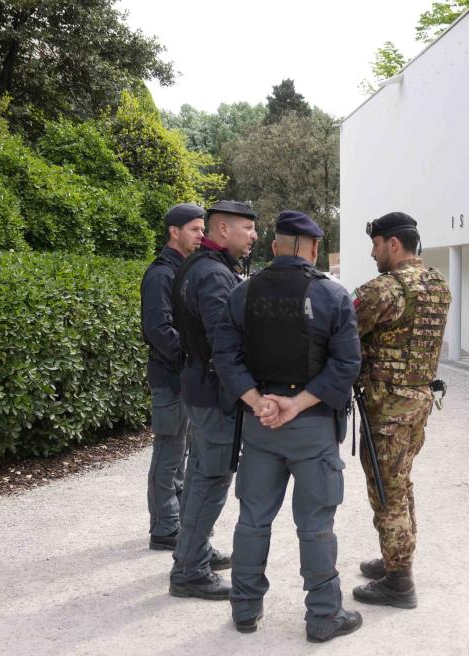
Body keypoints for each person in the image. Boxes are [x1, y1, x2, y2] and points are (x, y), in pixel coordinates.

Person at [211, 210, 363, 642]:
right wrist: (295, 404)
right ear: (313, 248)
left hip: (261, 424)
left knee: (253, 520)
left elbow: (226, 356)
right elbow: (347, 364)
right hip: (311, 424)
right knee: (315, 524)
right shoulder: (333, 296)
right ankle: (322, 616)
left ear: (276, 246)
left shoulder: (243, 292)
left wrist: (259, 401)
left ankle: (244, 609)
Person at [350, 211, 451, 610]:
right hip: (420, 401)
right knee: (402, 482)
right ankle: (397, 559)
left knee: (387, 488)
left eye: (376, 245)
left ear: (393, 244)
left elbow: (342, 329)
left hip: (387, 406)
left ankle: (399, 582)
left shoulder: (385, 290)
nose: (373, 253)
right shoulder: (439, 284)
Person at [167, 200, 258, 600]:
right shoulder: (216, 275)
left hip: (197, 382)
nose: (254, 236)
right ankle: (189, 569)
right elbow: (226, 341)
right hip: (212, 388)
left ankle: (193, 551)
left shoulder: (196, 265)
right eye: (248, 229)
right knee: (213, 476)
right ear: (223, 230)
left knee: (204, 471)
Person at [140, 203, 205, 551]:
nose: (201, 235)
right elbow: (158, 329)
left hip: (186, 376)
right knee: (169, 452)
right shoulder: (161, 274)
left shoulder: (184, 270)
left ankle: (174, 521)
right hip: (170, 377)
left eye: (201, 229)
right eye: (194, 229)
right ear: (174, 232)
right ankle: (164, 527)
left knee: (182, 452)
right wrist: (192, 355)